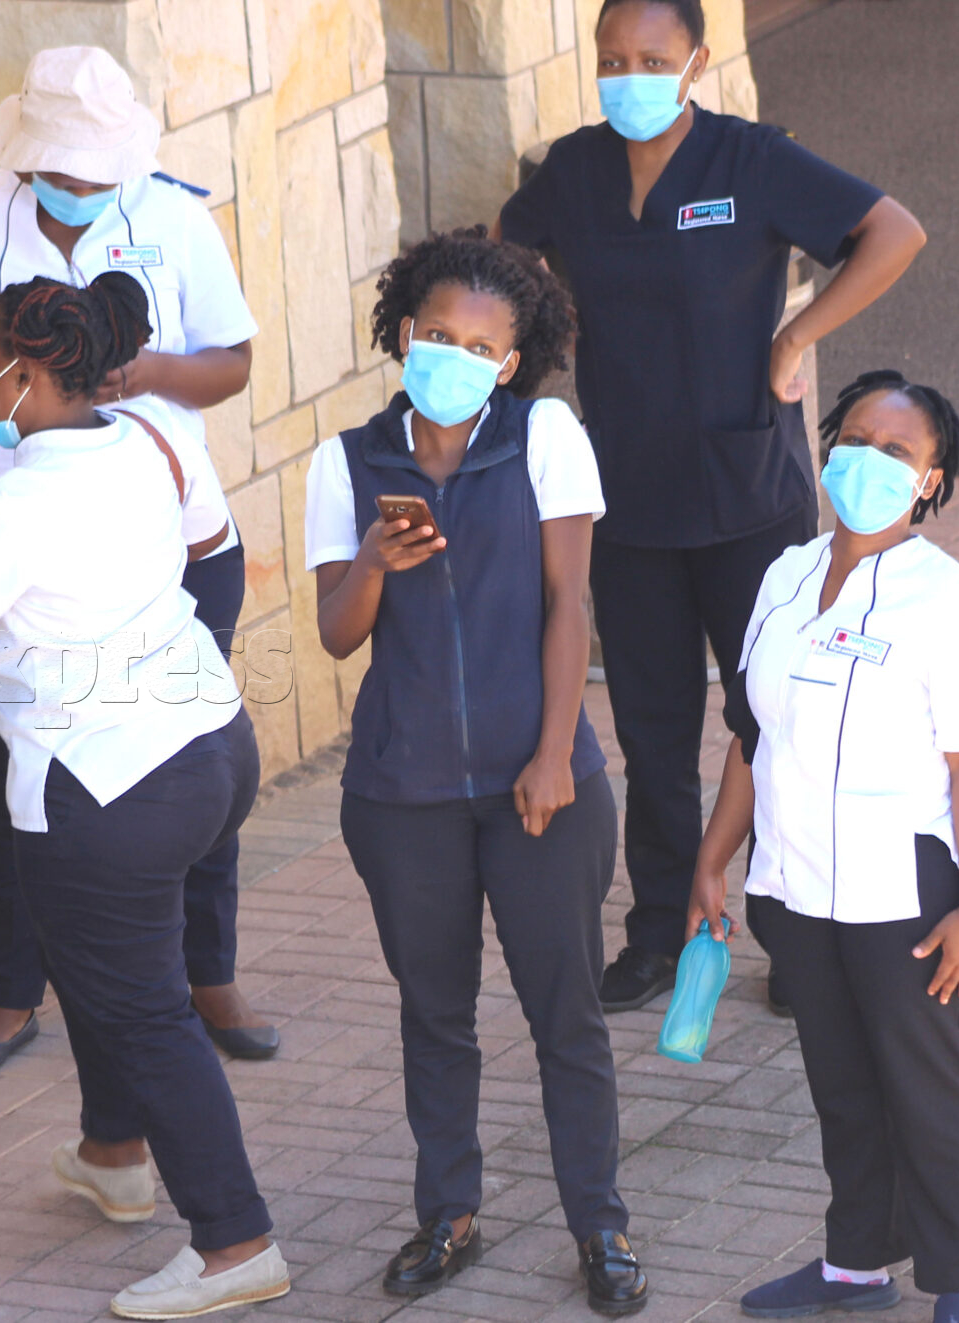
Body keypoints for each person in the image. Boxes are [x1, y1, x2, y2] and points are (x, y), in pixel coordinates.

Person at [0, 274, 284, 1320]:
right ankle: (113, 1153)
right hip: (211, 744)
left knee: (143, 1007)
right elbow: (205, 548)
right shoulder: (150, 436)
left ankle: (235, 1242)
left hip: (107, 790)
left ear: (30, 374)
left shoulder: (11, 502)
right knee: (101, 961)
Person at [496, 0, 927, 1012]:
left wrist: (796, 336)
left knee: (770, 721)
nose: (629, 77)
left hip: (746, 499)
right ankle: (658, 932)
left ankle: (793, 935)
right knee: (652, 736)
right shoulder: (574, 171)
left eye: (652, 59)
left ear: (694, 62)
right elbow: (501, 262)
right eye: (611, 59)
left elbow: (892, 232)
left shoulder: (751, 160)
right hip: (629, 503)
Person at [0, 43, 276, 1072]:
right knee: (21, 764)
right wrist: (18, 388)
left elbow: (233, 360)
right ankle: (12, 991)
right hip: (22, 552)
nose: (79, 188)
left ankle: (208, 973)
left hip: (172, 534)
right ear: (26, 155)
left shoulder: (174, 216)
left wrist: (140, 373)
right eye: (60, 172)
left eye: (96, 174)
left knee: (191, 751)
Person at [304, 230, 647, 1315]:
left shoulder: (545, 436)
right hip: (401, 793)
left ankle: (600, 1225)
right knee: (435, 1013)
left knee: (565, 1015)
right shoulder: (345, 462)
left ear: (510, 362)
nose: (452, 355)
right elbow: (336, 634)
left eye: (479, 345)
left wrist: (552, 754)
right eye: (437, 334)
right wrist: (373, 560)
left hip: (538, 788)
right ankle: (448, 1215)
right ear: (404, 332)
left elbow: (568, 606)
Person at [688, 372, 959, 1323]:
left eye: (896, 451)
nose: (869, 460)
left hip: (902, 894)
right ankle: (857, 1263)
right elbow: (752, 737)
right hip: (792, 884)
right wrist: (712, 859)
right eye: (856, 439)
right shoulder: (784, 576)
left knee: (930, 1087)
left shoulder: (951, 601)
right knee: (843, 1082)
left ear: (930, 479)